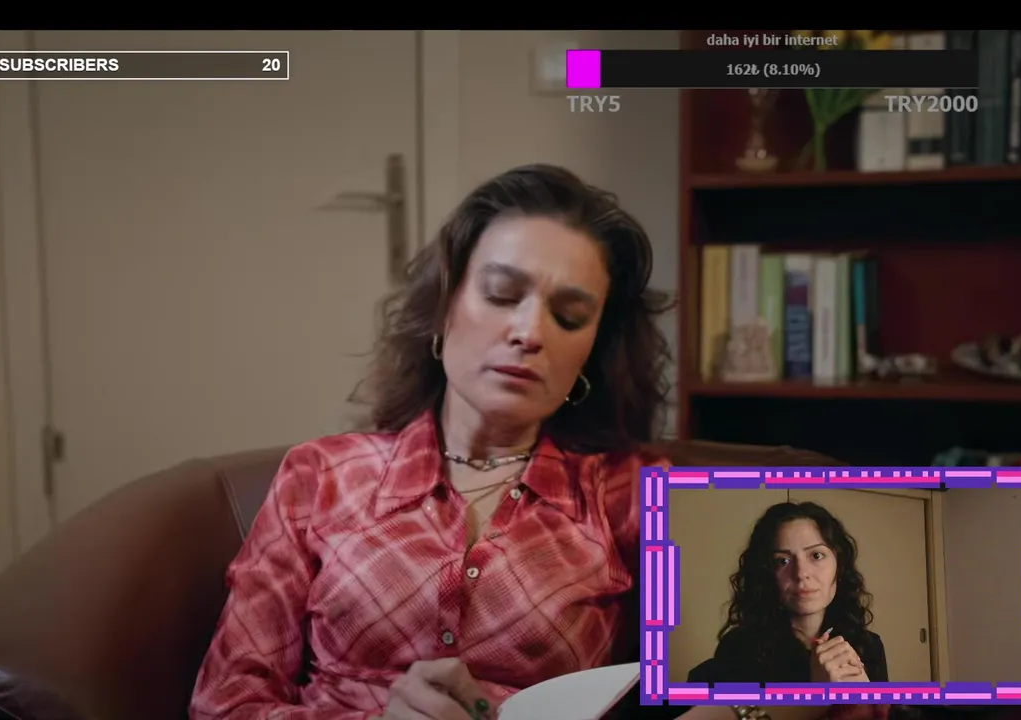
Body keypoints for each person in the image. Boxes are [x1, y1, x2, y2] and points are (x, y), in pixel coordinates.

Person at [188, 164, 864, 720]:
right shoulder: (321, 475)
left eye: (568, 315)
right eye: (501, 294)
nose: (530, 332)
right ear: (444, 307)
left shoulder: (629, 491)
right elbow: (225, 705)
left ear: (592, 350)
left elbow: (740, 657)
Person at [694, 501, 889, 685]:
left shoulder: (868, 646)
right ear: (766, 572)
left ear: (840, 566)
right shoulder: (738, 649)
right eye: (783, 561)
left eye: (816, 555)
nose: (800, 573)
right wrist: (816, 696)